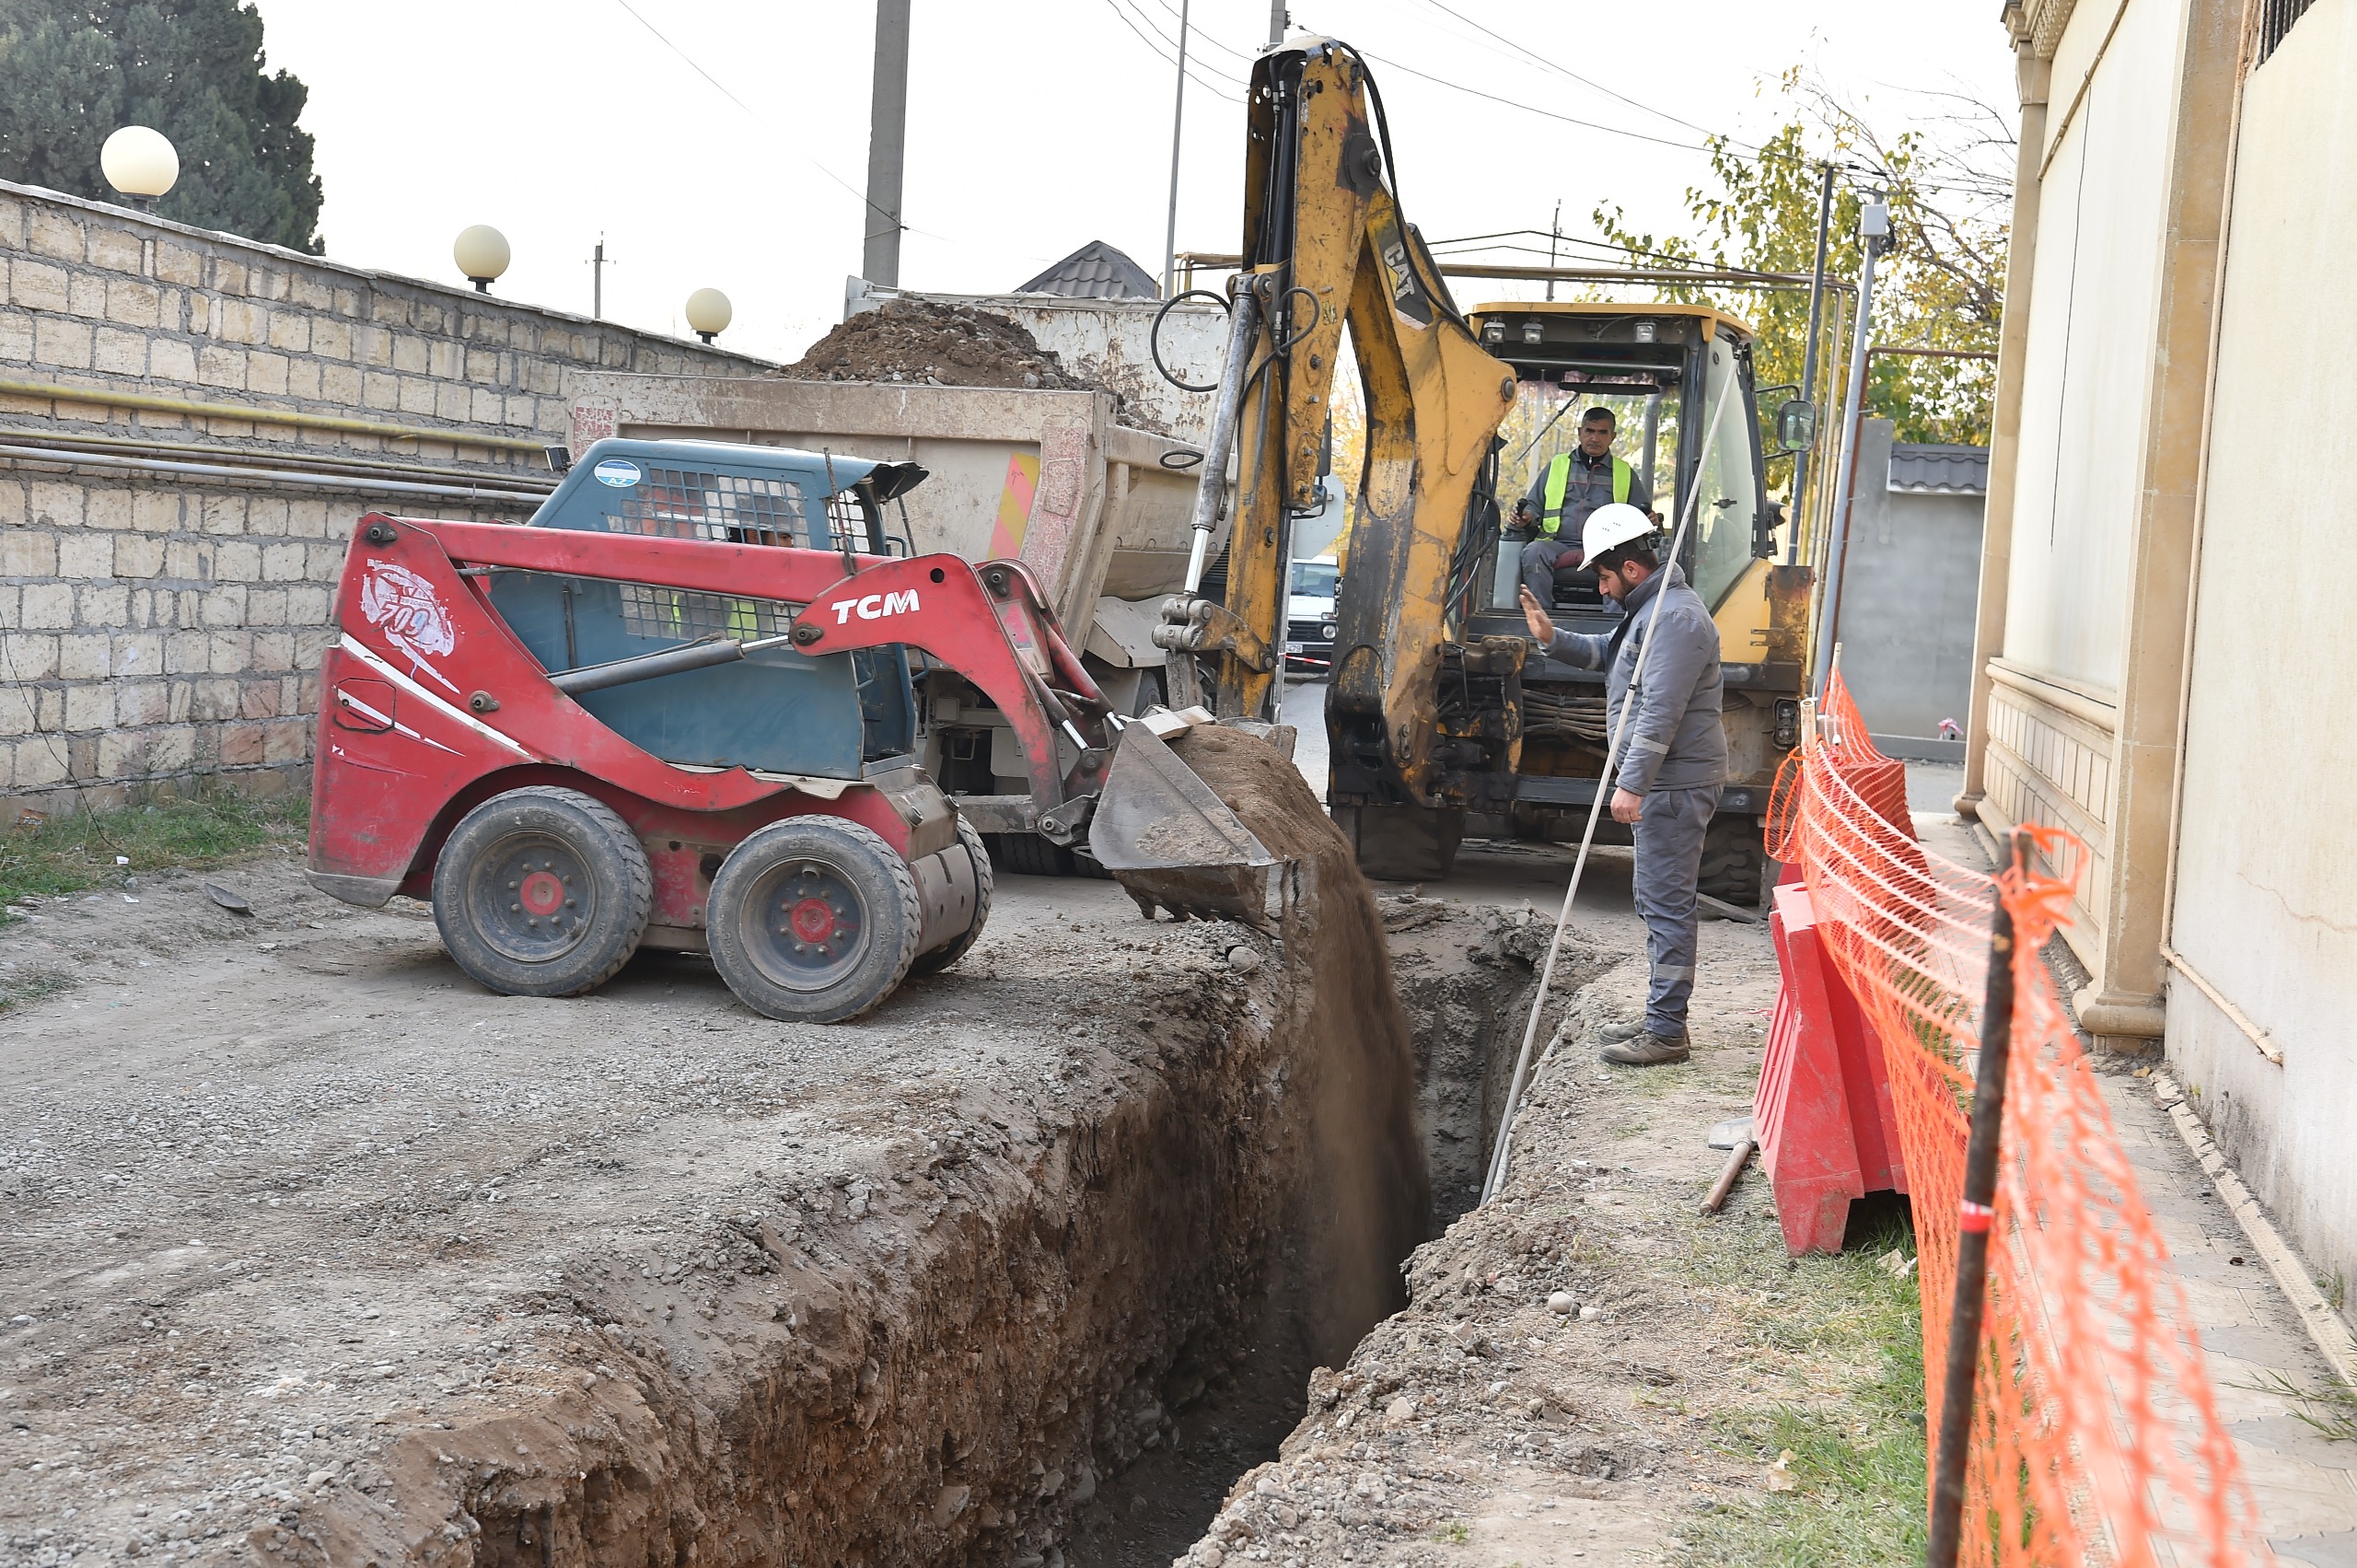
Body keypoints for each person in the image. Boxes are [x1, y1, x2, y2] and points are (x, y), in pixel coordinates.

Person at [1517, 503, 1725, 1065]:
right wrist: (1550, 637)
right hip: (1667, 781)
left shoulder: (1676, 620)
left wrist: (1631, 784)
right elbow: (1608, 656)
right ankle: (1661, 1018)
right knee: (1655, 898)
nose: (1602, 590)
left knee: (1666, 902)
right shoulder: (1648, 612)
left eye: (1604, 577)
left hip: (1674, 784)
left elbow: (1660, 709)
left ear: (1631, 569)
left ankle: (1666, 1033)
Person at [1512, 407, 1655, 605]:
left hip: (1605, 548)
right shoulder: (1557, 465)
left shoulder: (1624, 472)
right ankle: (1540, 617)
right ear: (1580, 432)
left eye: (1602, 432)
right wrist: (1527, 516)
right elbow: (1534, 505)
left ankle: (1615, 627)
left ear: (1612, 437)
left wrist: (1647, 520)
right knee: (1533, 551)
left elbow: (1639, 513)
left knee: (1625, 560)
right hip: (1559, 544)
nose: (1595, 438)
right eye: (1589, 431)